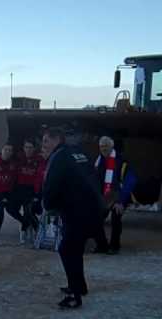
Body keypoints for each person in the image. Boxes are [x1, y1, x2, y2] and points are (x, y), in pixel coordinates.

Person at [42, 127, 106, 309]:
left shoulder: (59, 157)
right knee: (75, 249)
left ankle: (74, 296)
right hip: (92, 207)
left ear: (57, 140)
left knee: (66, 249)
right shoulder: (78, 153)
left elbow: (52, 184)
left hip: (77, 210)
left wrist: (48, 206)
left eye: (46, 141)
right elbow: (95, 176)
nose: (43, 145)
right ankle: (79, 286)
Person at [94, 136, 137, 255]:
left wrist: (121, 201)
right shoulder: (98, 162)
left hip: (118, 195)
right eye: (101, 147)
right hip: (104, 196)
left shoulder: (122, 161)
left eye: (106, 146)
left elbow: (130, 181)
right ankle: (102, 244)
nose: (103, 149)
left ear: (112, 147)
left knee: (115, 217)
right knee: (95, 217)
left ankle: (114, 246)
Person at [8, 138, 44, 244]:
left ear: (34, 148)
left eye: (30, 147)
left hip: (31, 189)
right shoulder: (18, 158)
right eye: (26, 147)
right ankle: (25, 223)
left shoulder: (38, 159)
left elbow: (39, 177)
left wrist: (37, 192)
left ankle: (25, 231)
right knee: (10, 208)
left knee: (28, 210)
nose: (28, 150)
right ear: (23, 148)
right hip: (18, 188)